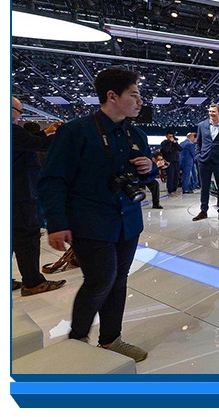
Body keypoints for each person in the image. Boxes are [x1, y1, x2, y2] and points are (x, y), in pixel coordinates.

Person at [38, 67, 157, 362]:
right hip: (90, 221)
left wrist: (149, 168)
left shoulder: (136, 135)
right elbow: (53, 179)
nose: (140, 101)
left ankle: (111, 339)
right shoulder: (75, 132)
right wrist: (56, 222)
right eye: (134, 94)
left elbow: (142, 177)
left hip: (128, 220)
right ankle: (77, 341)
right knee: (100, 279)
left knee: (119, 280)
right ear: (112, 96)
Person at [12, 96, 66, 295]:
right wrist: (64, 133)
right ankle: (33, 282)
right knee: (27, 237)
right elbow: (40, 144)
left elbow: (28, 141)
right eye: (19, 111)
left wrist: (47, 131)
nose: (20, 115)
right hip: (20, 193)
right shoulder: (11, 130)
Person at [193, 103, 219, 221]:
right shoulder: (201, 125)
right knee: (204, 187)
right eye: (209, 111)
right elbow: (198, 143)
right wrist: (198, 156)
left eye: (213, 111)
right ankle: (203, 211)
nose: (211, 113)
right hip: (204, 160)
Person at [160, 130, 182, 196]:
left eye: (172, 136)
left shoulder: (174, 143)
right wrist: (170, 142)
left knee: (176, 176)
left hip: (176, 161)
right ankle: (170, 190)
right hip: (169, 162)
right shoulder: (164, 143)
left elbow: (180, 149)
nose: (171, 137)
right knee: (170, 176)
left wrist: (175, 143)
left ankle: (175, 189)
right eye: (169, 136)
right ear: (166, 136)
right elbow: (166, 150)